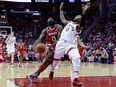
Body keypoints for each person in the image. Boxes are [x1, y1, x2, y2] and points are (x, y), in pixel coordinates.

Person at [49, 2, 91, 86]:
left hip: (70, 45)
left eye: (80, 16)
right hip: (61, 44)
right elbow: (62, 19)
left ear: (79, 20)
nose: (78, 16)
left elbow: (82, 24)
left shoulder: (78, 27)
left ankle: (75, 78)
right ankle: (52, 70)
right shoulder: (69, 22)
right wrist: (60, 10)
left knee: (76, 57)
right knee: (55, 62)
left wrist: (84, 13)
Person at [26, 17, 63, 82]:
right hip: (49, 46)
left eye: (51, 19)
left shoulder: (59, 27)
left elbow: (60, 39)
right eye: (48, 20)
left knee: (49, 61)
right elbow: (40, 39)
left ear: (54, 21)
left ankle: (42, 73)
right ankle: (35, 75)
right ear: (47, 23)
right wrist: (34, 45)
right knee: (49, 58)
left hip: (58, 45)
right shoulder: (45, 30)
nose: (50, 20)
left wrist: (52, 45)